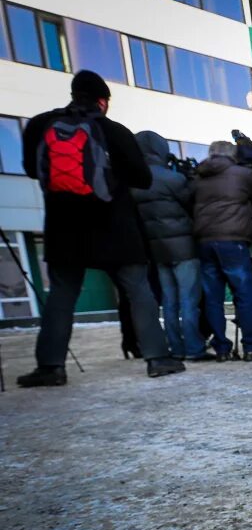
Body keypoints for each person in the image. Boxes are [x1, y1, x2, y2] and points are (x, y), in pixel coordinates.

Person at [17, 70, 185, 387]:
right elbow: (142, 179)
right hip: (115, 227)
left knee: (62, 296)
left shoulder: (41, 125)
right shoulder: (114, 131)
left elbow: (30, 169)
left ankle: (51, 366)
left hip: (64, 228)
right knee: (138, 291)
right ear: (102, 101)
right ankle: (158, 358)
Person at [130, 131, 212, 361]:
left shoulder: (136, 182)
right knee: (189, 300)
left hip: (157, 249)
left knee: (169, 301)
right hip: (184, 247)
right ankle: (194, 348)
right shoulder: (172, 179)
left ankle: (175, 347)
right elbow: (192, 205)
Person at [190, 141, 252, 362]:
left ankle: (221, 348)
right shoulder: (240, 174)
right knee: (245, 294)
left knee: (213, 298)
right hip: (233, 240)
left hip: (205, 241)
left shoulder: (198, 176)